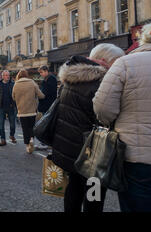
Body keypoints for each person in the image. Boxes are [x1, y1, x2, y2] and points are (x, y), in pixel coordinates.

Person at [93, 20, 151, 212]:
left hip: (136, 159)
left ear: (142, 39)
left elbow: (102, 108)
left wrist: (114, 121)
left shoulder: (124, 64)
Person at [51, 43, 125, 213]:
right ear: (105, 61)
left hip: (69, 148)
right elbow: (105, 116)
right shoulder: (100, 82)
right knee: (94, 194)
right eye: (117, 62)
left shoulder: (70, 79)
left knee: (74, 188)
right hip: (92, 151)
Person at [12, 69, 45, 154]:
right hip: (32, 111)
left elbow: (13, 97)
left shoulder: (16, 84)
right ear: (27, 75)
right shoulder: (32, 83)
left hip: (21, 111)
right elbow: (40, 95)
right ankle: (31, 139)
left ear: (18, 76)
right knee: (31, 127)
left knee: (24, 128)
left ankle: (27, 145)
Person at [36, 66, 58, 149]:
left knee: (46, 124)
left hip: (48, 104)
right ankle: (46, 142)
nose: (41, 74)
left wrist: (40, 94)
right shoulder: (47, 79)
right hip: (46, 104)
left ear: (46, 71)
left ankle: (46, 142)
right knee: (46, 123)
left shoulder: (51, 79)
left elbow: (47, 92)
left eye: (41, 72)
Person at [0, 70, 16, 146]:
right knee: (1, 124)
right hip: (1, 107)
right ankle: (3, 139)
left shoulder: (13, 84)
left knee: (13, 124)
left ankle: (12, 135)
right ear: (2, 76)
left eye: (8, 75)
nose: (7, 76)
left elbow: (16, 95)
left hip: (11, 106)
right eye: (6, 75)